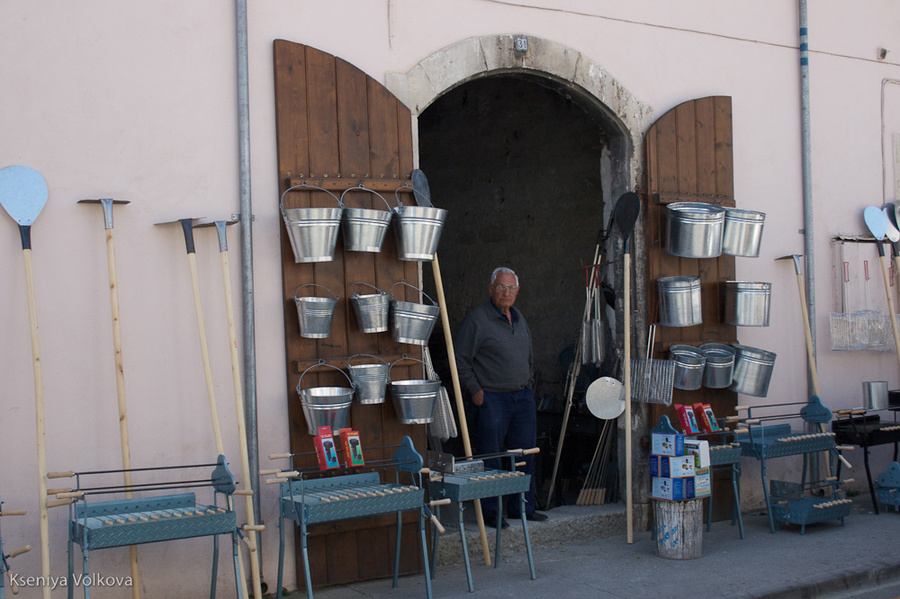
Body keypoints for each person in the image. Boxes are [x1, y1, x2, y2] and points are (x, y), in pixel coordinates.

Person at [455, 267, 548, 528]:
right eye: (500, 287)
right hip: (492, 398)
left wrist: (527, 383)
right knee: (491, 457)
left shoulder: (519, 318)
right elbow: (460, 360)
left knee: (524, 454)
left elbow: (528, 356)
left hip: (521, 396)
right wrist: (475, 389)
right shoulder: (477, 320)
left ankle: (522, 508)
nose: (505, 293)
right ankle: (492, 513)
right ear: (490, 289)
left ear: (517, 292)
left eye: (510, 288)